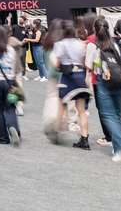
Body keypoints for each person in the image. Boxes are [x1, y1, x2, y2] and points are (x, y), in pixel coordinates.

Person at [87, 17, 121, 162]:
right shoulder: (114, 44)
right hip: (117, 81)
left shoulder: (93, 45)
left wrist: (97, 63)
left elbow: (89, 65)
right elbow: (120, 62)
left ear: (95, 29)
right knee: (117, 114)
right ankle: (118, 145)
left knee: (108, 115)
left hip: (103, 81)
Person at [51, 19, 92, 149]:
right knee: (81, 110)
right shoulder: (80, 44)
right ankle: (85, 139)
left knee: (62, 106)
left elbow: (56, 64)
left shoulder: (59, 44)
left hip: (67, 78)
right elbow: (83, 63)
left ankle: (57, 133)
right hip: (79, 76)